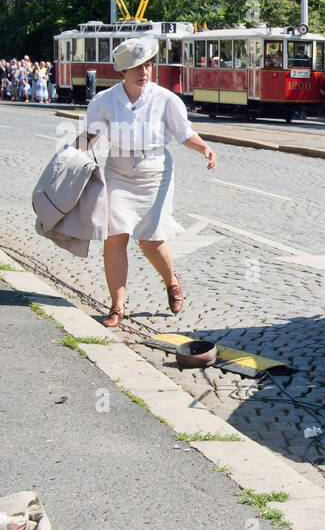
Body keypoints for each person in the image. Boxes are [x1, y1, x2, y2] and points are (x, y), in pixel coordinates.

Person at [74, 37, 218, 328]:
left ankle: (172, 281)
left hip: (156, 172)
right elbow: (90, 136)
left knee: (150, 239)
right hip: (118, 170)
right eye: (137, 67)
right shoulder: (105, 101)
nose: (144, 72)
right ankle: (117, 306)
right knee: (115, 237)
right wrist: (70, 157)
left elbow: (183, 133)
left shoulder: (166, 100)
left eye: (148, 65)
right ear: (123, 72)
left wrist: (204, 147)